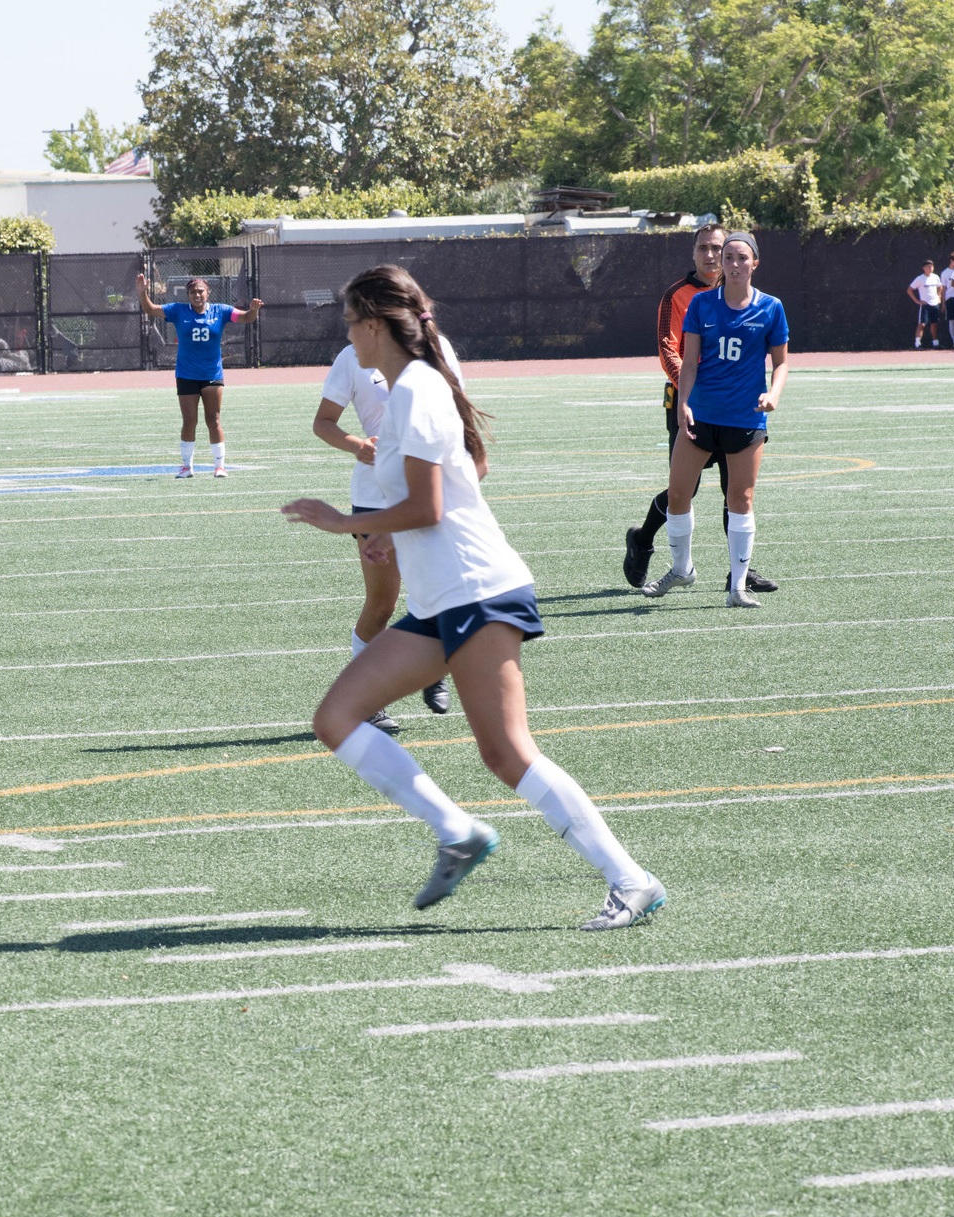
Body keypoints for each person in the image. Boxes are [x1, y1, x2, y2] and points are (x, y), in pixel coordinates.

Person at [280, 265, 666, 932]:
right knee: (338, 716)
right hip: (440, 598)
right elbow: (451, 489)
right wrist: (386, 541)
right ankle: (456, 830)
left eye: (351, 322)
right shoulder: (409, 387)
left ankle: (630, 879)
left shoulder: (416, 390)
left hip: (479, 590)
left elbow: (430, 504)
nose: (347, 335)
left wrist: (347, 523)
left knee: (508, 752)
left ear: (375, 325)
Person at [314, 330, 460, 733]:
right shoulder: (352, 355)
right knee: (382, 603)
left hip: (428, 489)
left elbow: (458, 414)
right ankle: (366, 701)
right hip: (375, 495)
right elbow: (323, 423)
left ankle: (433, 668)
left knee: (440, 590)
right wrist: (357, 445)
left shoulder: (438, 348)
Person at [623, 224, 775, 594]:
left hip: (735, 408)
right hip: (688, 402)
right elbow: (668, 347)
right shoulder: (679, 295)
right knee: (683, 491)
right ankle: (642, 538)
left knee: (735, 489)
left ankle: (739, 572)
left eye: (718, 248)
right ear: (694, 254)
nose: (711, 256)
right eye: (704, 248)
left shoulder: (752, 300)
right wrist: (690, 389)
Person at [136, 273, 262, 479]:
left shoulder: (220, 310)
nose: (197, 295)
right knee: (189, 421)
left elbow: (246, 317)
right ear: (188, 294)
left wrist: (254, 310)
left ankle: (219, 466)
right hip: (186, 374)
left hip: (211, 374)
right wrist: (142, 293)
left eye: (200, 291)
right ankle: (186, 467)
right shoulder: (178, 310)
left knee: (214, 420)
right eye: (193, 292)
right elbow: (150, 309)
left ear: (208, 292)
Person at [908, 258, 945, 348]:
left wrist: (939, 296)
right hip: (925, 305)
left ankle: (936, 344)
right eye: (928, 267)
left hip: (935, 304)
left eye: (932, 266)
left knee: (934, 324)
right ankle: (917, 344)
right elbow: (909, 290)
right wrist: (917, 301)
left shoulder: (935, 277)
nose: (930, 268)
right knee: (922, 324)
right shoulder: (919, 279)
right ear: (923, 268)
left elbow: (940, 287)